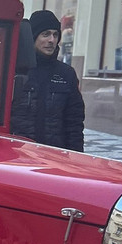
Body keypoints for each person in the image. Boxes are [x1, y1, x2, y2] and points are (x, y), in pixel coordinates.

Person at [10, 9, 86, 151]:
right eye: (45, 34)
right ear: (33, 37)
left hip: (53, 157)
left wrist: (76, 157)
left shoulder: (66, 74)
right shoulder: (14, 70)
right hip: (18, 155)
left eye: (55, 34)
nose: (51, 40)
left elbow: (74, 123)